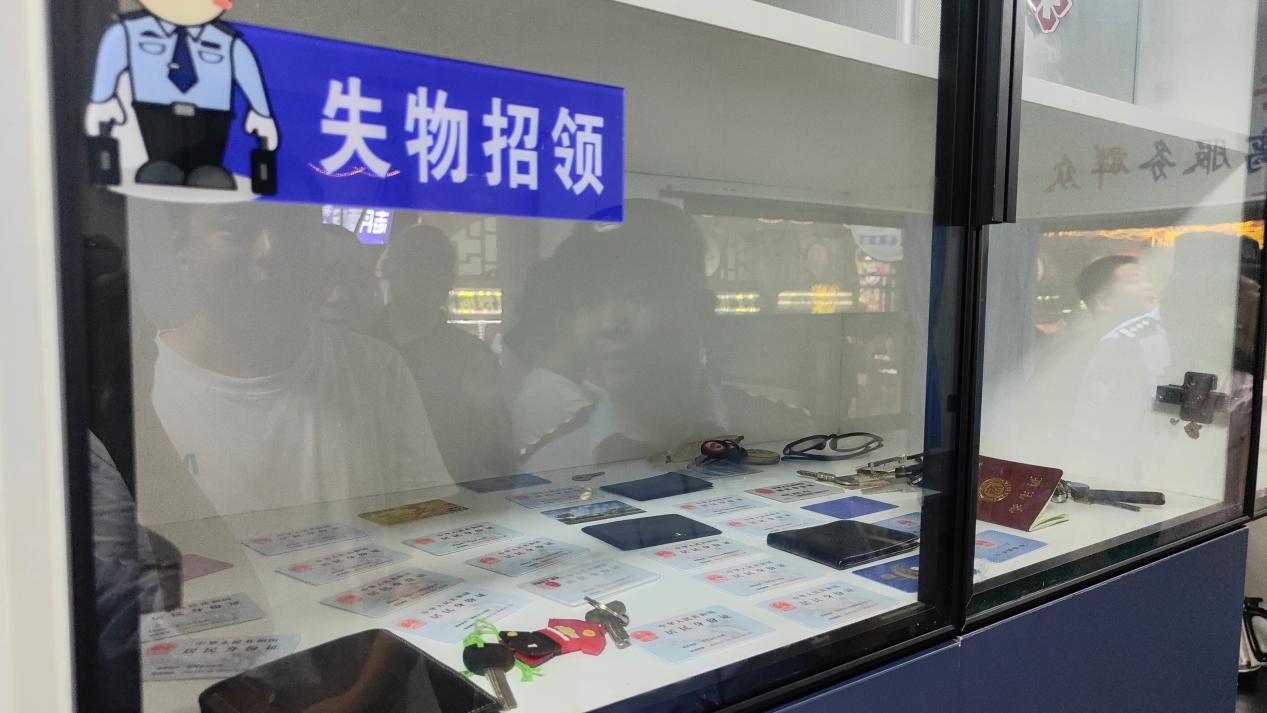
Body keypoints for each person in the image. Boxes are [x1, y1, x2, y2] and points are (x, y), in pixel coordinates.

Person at [146, 203, 449, 519]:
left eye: (293, 226)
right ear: (182, 244)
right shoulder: (141, 385)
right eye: (237, 227)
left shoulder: (378, 368)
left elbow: (430, 518)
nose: (270, 249)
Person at [506, 199, 812, 472]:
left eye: (639, 295)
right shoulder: (552, 461)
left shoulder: (787, 434)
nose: (609, 323)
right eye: (590, 300)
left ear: (701, 310)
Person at [85, 0, 278, 189]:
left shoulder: (227, 41)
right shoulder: (130, 32)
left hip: (212, 117)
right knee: (161, 167)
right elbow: (111, 59)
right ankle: (163, 167)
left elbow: (248, 75)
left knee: (207, 169)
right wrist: (103, 100)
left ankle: (206, 169)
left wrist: (261, 114)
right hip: (154, 112)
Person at [378, 224, 514, 481]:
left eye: (438, 265)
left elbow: (500, 460)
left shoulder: (473, 356)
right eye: (414, 262)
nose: (426, 274)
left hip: (449, 499)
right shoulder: (357, 347)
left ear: (450, 280)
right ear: (388, 270)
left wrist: (485, 408)